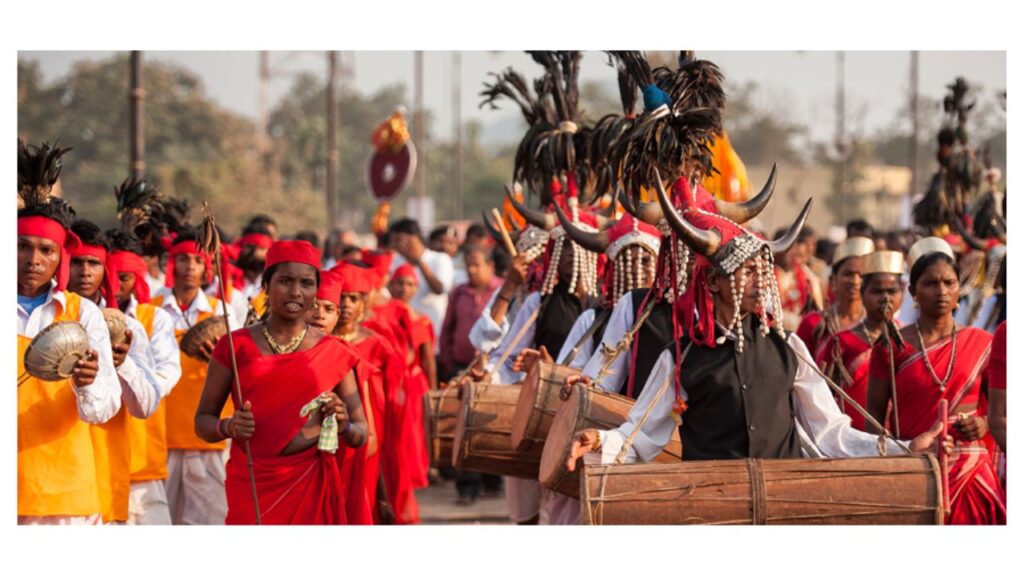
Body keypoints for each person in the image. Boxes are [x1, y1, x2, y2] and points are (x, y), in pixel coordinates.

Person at [566, 176, 951, 483]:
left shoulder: (791, 349)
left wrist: (902, 448)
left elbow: (831, 433)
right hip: (711, 511)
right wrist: (598, 439)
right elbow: (640, 436)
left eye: (760, 272)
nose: (759, 283)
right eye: (746, 272)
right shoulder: (681, 357)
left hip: (782, 509)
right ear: (714, 282)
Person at [196, 240, 368, 524]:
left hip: (309, 483)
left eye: (307, 283)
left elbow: (362, 433)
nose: (296, 292)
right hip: (250, 481)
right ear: (266, 285)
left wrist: (344, 424)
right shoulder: (234, 345)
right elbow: (202, 421)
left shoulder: (333, 352)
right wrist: (228, 426)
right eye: (285, 281)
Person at [17, 140, 121, 524]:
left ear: (62, 257)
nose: (33, 260)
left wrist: (88, 383)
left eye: (46, 250)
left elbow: (105, 408)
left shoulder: (83, 314)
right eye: (22, 247)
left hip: (64, 495)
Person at [867, 237, 1005, 524]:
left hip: (971, 475)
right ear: (913, 292)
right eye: (930, 283)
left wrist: (983, 423)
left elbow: (1002, 414)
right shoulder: (890, 346)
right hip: (914, 468)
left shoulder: (982, 343)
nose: (941, 291)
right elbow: (874, 425)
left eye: (949, 282)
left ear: (958, 289)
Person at [68, 220, 163, 524]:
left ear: (104, 269)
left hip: (105, 469)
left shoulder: (128, 327)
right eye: (76, 262)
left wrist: (122, 363)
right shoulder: (45, 318)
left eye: (94, 264)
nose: (84, 272)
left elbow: (146, 405)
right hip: (51, 471)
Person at [152, 229, 242, 524]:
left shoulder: (223, 312)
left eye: (197, 260)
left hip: (211, 437)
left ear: (207, 268)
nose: (190, 267)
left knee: (212, 523)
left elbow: (244, 369)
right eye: (183, 259)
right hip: (163, 435)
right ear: (171, 264)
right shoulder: (150, 311)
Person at [307, 263, 401, 524]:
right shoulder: (305, 346)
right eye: (342, 298)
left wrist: (369, 435)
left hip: (355, 434)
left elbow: (381, 399)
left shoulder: (377, 344)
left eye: (353, 298)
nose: (347, 305)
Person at [106, 228, 182, 524]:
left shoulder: (154, 319)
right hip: (100, 455)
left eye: (123, 278)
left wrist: (133, 381)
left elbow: (167, 374)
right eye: (111, 277)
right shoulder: (86, 316)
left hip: (143, 450)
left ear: (136, 279)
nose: (116, 286)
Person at [439, 247, 503, 505]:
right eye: (468, 266)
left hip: (492, 373)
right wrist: (447, 361)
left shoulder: (502, 292)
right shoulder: (459, 292)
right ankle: (467, 486)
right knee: (462, 428)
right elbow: (448, 328)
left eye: (477, 265)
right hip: (462, 368)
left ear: (491, 267)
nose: (472, 270)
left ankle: (492, 480)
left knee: (490, 426)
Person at [817, 250, 905, 431]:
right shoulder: (841, 342)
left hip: (902, 437)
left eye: (892, 291)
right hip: (852, 438)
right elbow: (822, 396)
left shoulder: (909, 339)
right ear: (863, 293)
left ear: (902, 294)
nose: (885, 298)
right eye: (877, 291)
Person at [796, 236, 874, 358]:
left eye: (862, 275)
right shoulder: (813, 323)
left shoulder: (878, 325)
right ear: (833, 280)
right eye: (848, 274)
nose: (855, 281)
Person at [388, 218, 455, 343]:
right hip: (401, 336)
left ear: (412, 239)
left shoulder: (440, 259)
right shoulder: (395, 261)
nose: (394, 245)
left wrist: (418, 260)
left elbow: (439, 289)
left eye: (398, 240)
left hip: (433, 333)